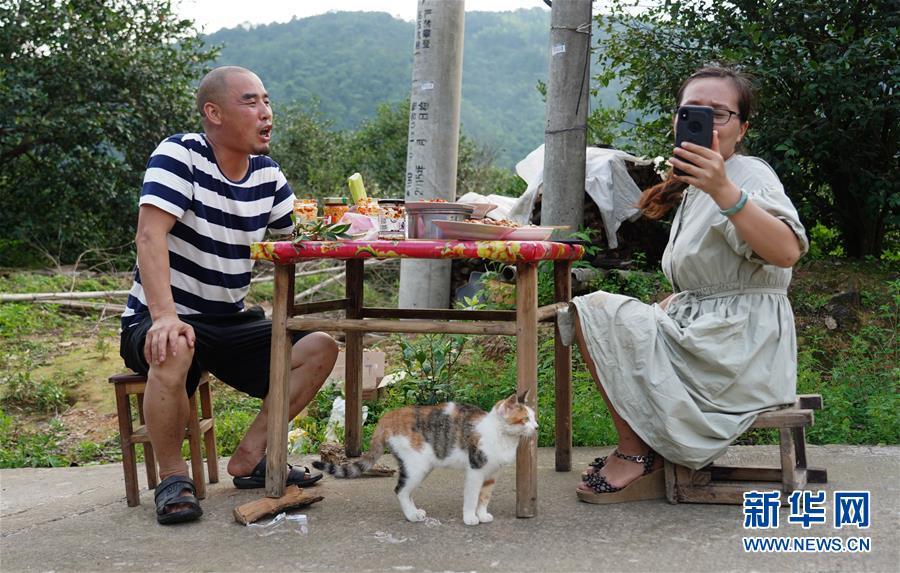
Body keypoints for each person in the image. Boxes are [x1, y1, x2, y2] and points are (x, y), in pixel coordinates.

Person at [557, 65, 809, 503]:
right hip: (714, 336)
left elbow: (786, 252)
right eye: (692, 111)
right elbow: (719, 273)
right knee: (607, 315)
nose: (704, 122)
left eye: (719, 113)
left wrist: (725, 191)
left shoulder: (747, 176)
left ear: (742, 127)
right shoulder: (697, 185)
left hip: (741, 352)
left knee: (594, 309)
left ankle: (637, 455)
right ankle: (646, 448)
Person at [119, 66, 339, 524]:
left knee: (319, 347)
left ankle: (250, 457)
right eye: (251, 102)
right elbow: (149, 235)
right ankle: (174, 479)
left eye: (267, 101)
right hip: (160, 317)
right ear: (213, 112)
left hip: (229, 319)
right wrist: (163, 316)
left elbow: (293, 243)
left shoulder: (268, 175)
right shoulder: (180, 155)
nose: (266, 113)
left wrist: (351, 226)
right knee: (175, 343)